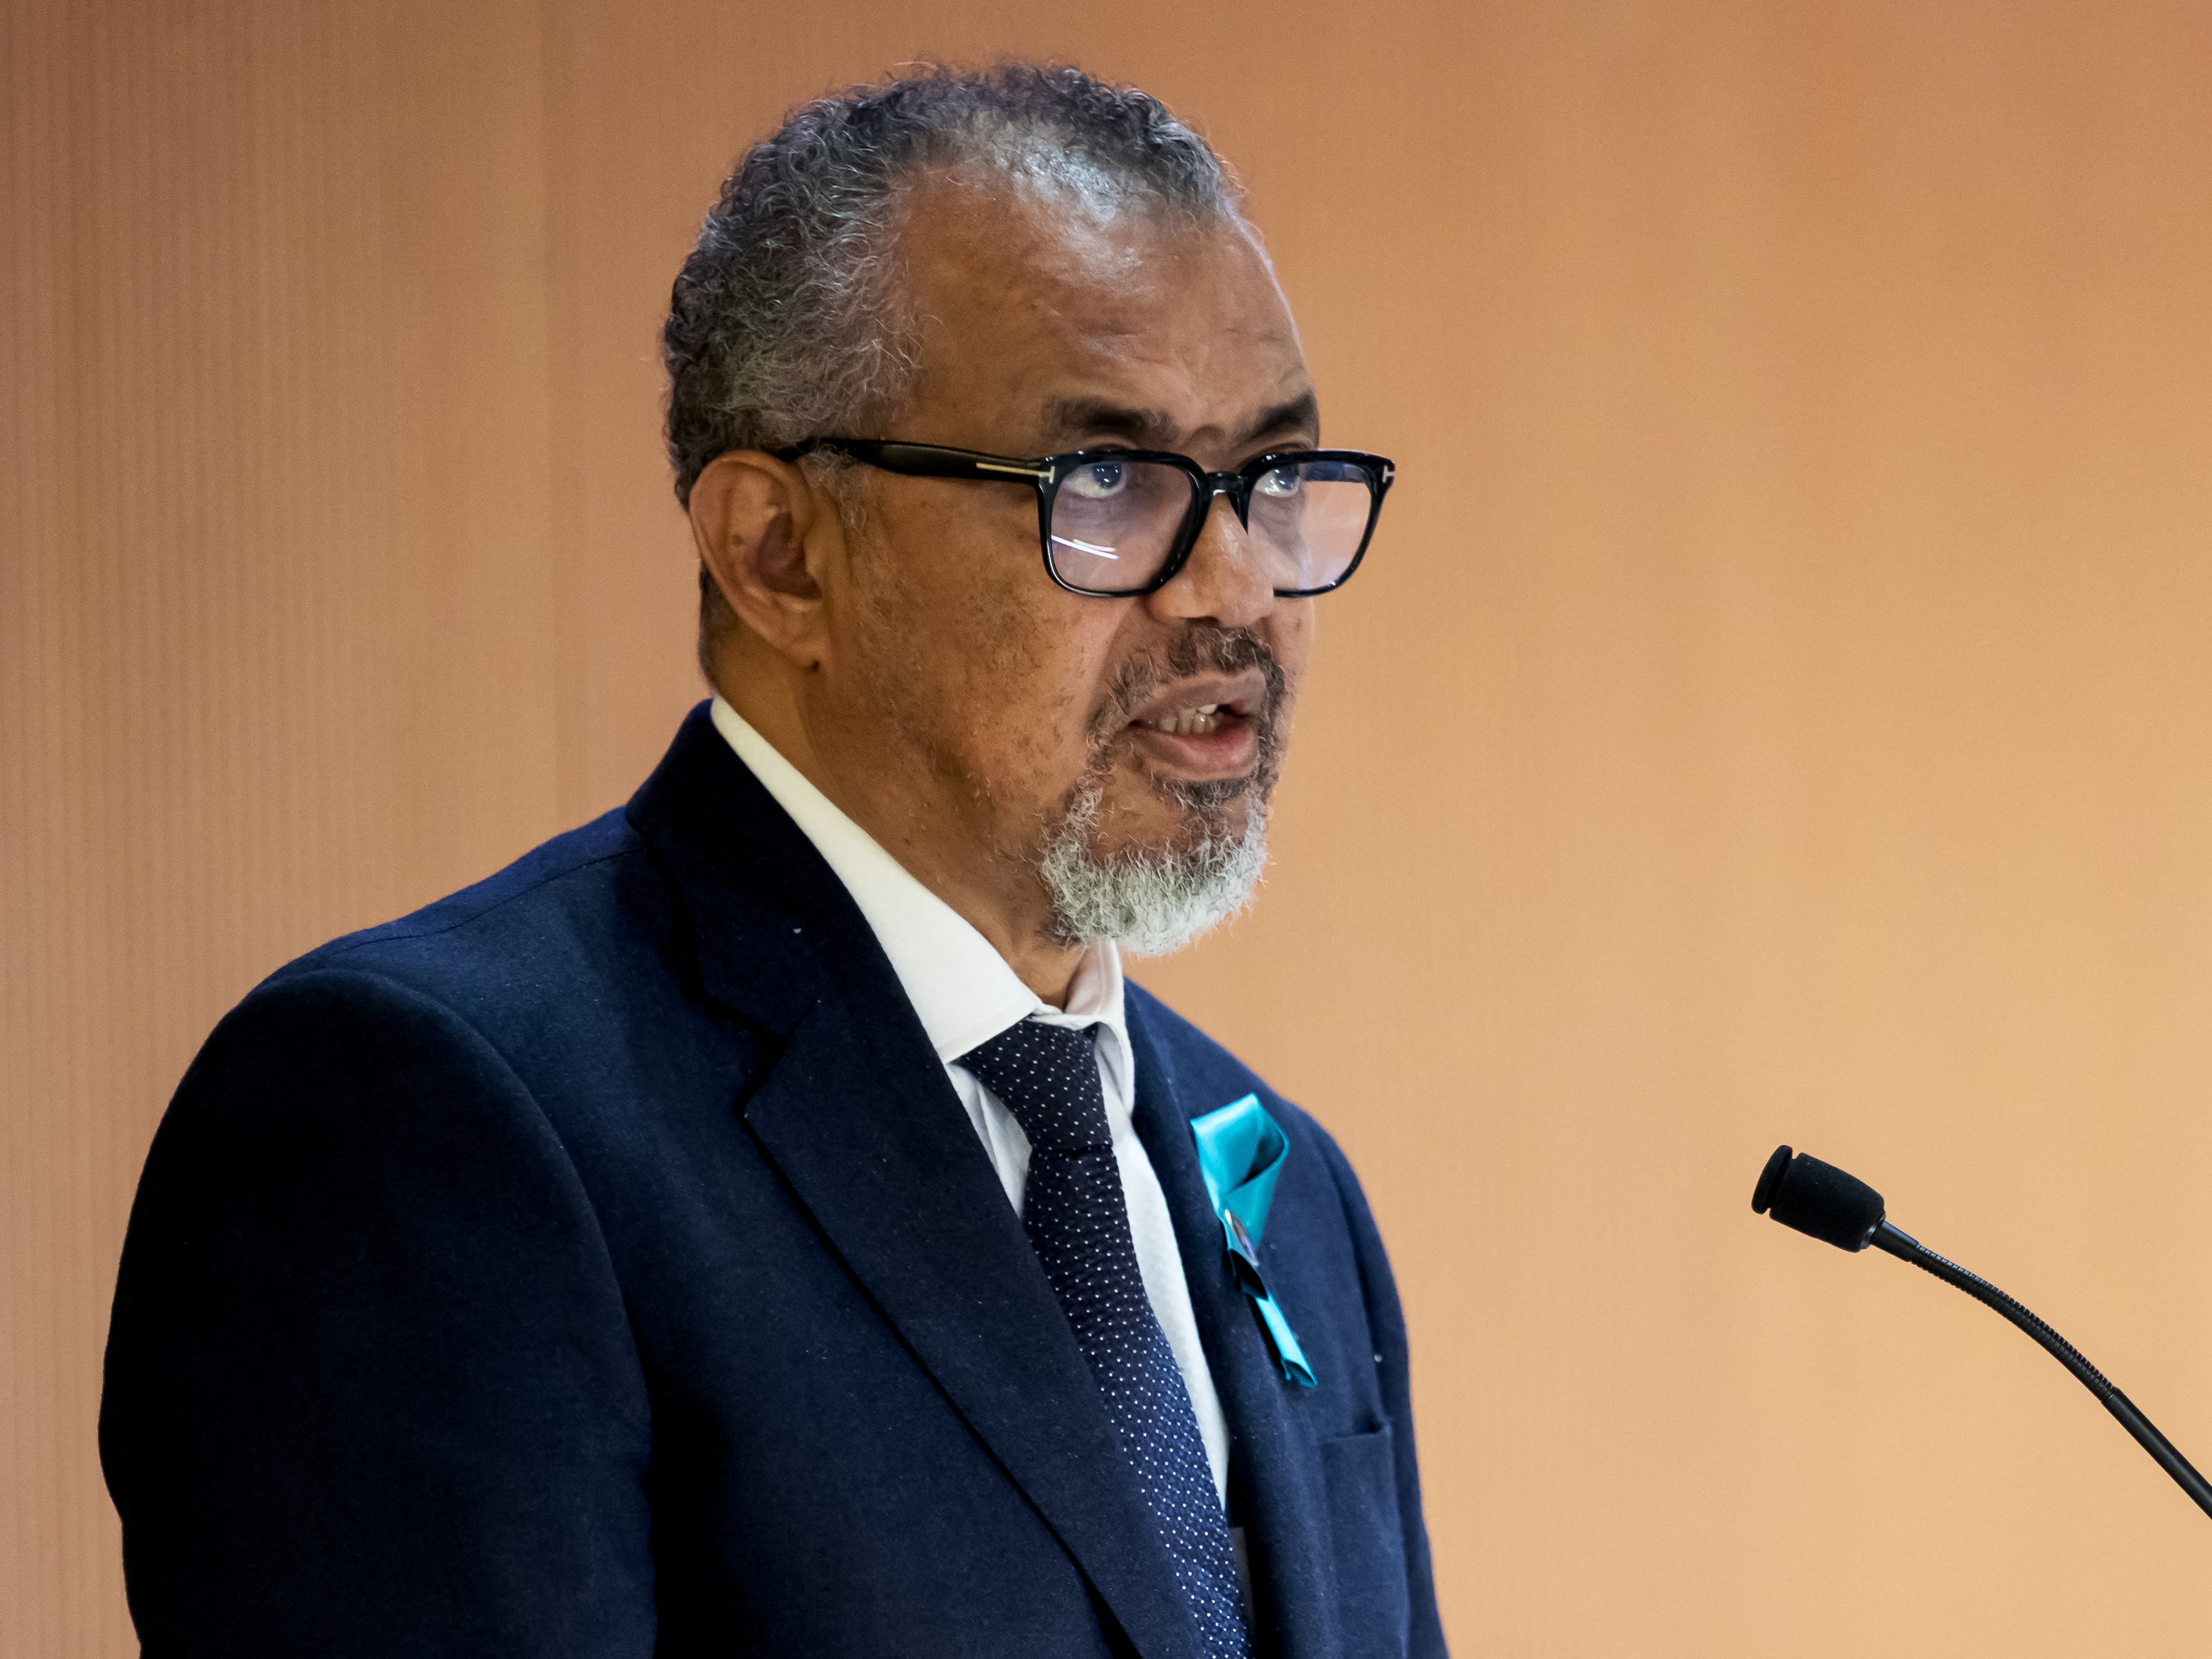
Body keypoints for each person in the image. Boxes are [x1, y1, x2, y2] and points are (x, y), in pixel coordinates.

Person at [101, 63, 1444, 1659]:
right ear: (778, 553)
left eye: (1278, 479)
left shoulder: (1280, 1188)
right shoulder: (429, 1122)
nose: (1231, 588)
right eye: (1109, 485)